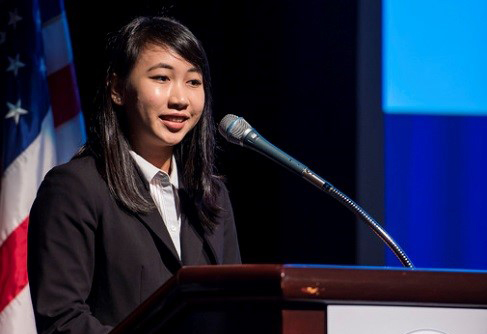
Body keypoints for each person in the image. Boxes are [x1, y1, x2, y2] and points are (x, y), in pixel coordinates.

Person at [28, 16, 241, 334]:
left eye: (193, 82)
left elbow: (237, 306)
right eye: (161, 78)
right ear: (117, 88)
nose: (180, 99)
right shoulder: (75, 187)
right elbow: (62, 320)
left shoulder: (211, 196)